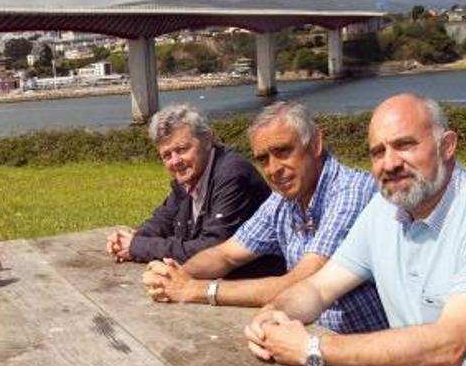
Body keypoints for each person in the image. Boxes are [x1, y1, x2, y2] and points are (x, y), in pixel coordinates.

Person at [244, 94, 466, 366]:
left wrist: (313, 349)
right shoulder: (384, 209)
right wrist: (272, 314)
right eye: (378, 152)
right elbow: (319, 288)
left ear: (447, 146)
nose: (390, 164)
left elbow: (450, 344)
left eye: (405, 145)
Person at [144, 101, 388, 334]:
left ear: (315, 144)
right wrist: (179, 275)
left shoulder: (349, 193)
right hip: (308, 333)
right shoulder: (283, 199)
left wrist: (195, 289)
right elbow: (226, 254)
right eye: (263, 159)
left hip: (368, 352)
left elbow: (301, 283)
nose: (273, 168)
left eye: (283, 151)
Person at [107, 103, 284, 278]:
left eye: (182, 149)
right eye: (166, 155)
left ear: (207, 140)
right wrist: (129, 239)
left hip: (255, 283)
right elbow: (162, 220)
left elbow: (212, 250)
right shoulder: (187, 178)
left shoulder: (232, 173)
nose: (175, 161)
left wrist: (138, 246)